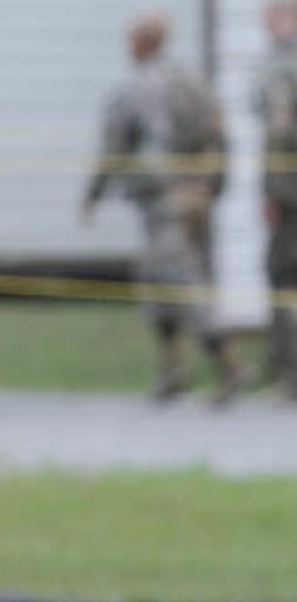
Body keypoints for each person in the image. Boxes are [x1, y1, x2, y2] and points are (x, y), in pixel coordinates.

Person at [81, 11, 249, 403]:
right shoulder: (195, 81)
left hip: (162, 201)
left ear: (142, 42)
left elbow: (115, 148)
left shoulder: (135, 88)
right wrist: (214, 187)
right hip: (198, 196)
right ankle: (173, 370)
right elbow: (221, 135)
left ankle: (228, 365)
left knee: (175, 284)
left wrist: (93, 194)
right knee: (180, 280)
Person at [258, 1, 297, 399]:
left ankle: (290, 379)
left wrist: (271, 190)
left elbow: (278, 131)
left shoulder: (280, 67)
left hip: (290, 194)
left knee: (282, 275)